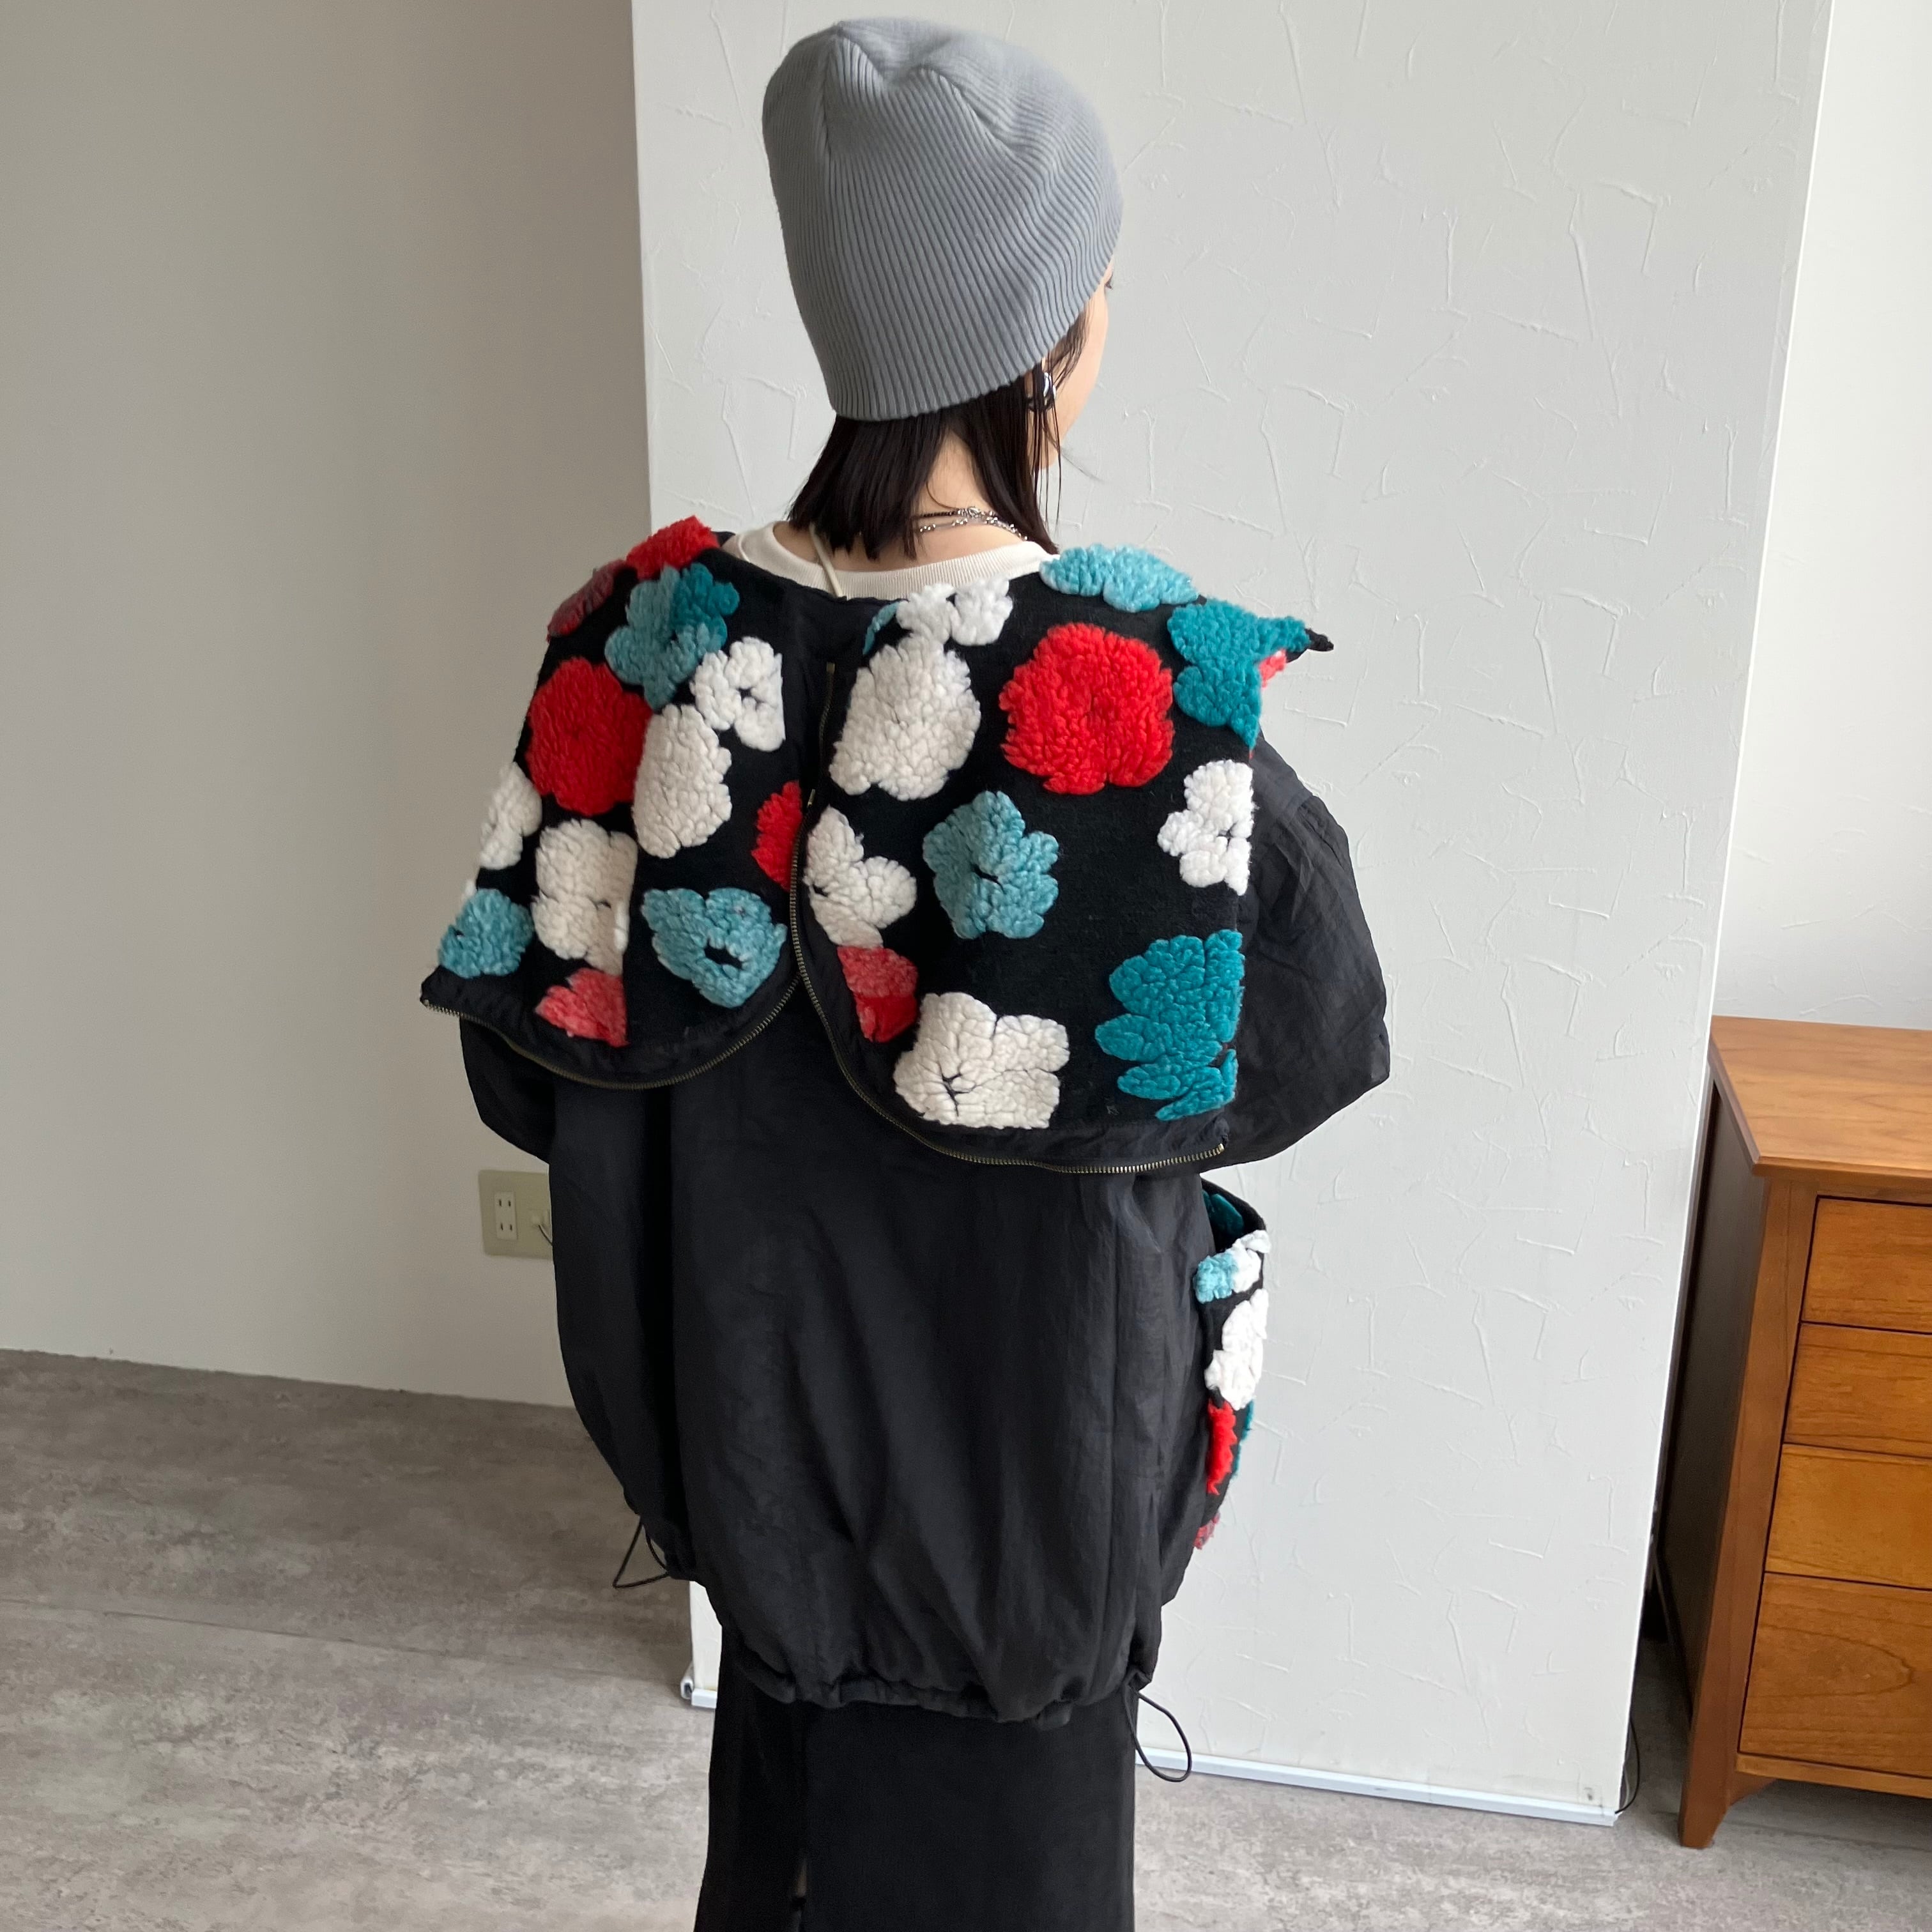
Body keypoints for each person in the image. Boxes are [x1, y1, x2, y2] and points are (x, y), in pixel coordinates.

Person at [422, 18, 1387, 1929]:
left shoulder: (638, 646)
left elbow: (528, 1075)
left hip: (751, 1506)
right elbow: (1312, 1041)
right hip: (1034, 1546)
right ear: (1059, 342)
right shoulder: (1143, 703)